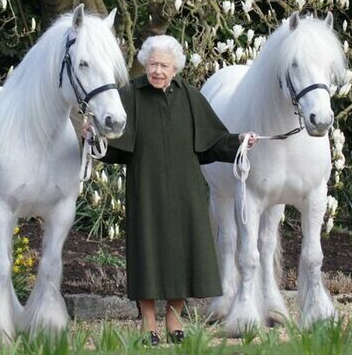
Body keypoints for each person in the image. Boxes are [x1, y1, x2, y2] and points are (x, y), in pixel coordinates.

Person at [90, 35, 256, 345]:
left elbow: (212, 142)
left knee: (185, 252)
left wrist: (240, 141)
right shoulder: (131, 95)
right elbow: (114, 148)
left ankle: (174, 319)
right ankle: (149, 324)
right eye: (152, 64)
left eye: (164, 65)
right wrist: (94, 138)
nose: (157, 71)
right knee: (147, 254)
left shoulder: (191, 97)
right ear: (145, 63)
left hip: (186, 190)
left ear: (175, 67)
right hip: (146, 189)